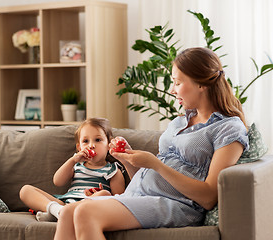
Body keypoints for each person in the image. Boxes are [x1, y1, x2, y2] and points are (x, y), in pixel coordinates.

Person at [53, 47, 249, 240]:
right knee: (69, 212)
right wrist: (129, 159)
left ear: (201, 84)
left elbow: (208, 197)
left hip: (176, 204)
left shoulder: (228, 128)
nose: (172, 90)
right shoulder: (180, 121)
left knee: (85, 212)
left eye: (177, 83)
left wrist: (155, 163)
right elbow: (151, 177)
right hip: (139, 196)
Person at [19, 117, 125, 221]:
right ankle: (57, 211)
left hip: (88, 206)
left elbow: (119, 201)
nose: (91, 145)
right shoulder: (77, 165)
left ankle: (60, 214)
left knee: (104, 194)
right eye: (85, 141)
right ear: (79, 148)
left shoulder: (113, 170)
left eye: (98, 140)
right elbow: (58, 181)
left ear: (109, 145)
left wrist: (99, 195)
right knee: (26, 190)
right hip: (65, 203)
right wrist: (73, 160)